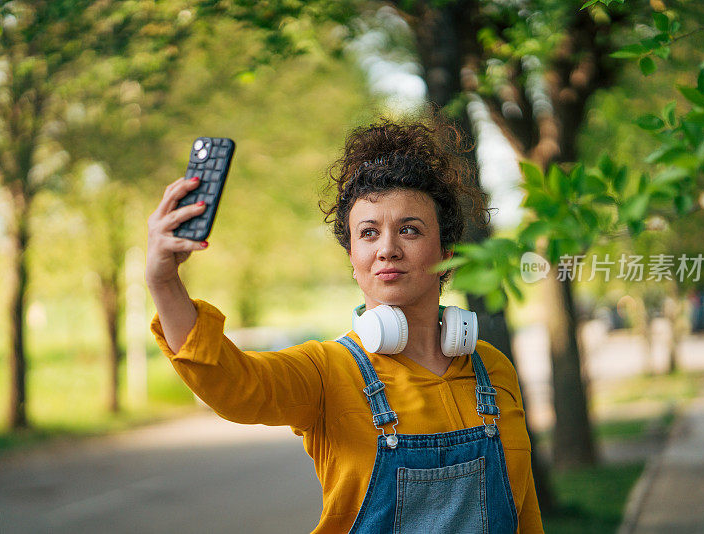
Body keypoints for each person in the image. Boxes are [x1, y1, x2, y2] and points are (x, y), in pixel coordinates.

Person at [145, 114, 544, 533]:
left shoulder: (493, 367)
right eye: (368, 233)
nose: (387, 249)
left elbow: (526, 515)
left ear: (446, 252)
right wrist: (165, 282)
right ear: (353, 259)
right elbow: (232, 385)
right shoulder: (326, 371)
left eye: (409, 230)